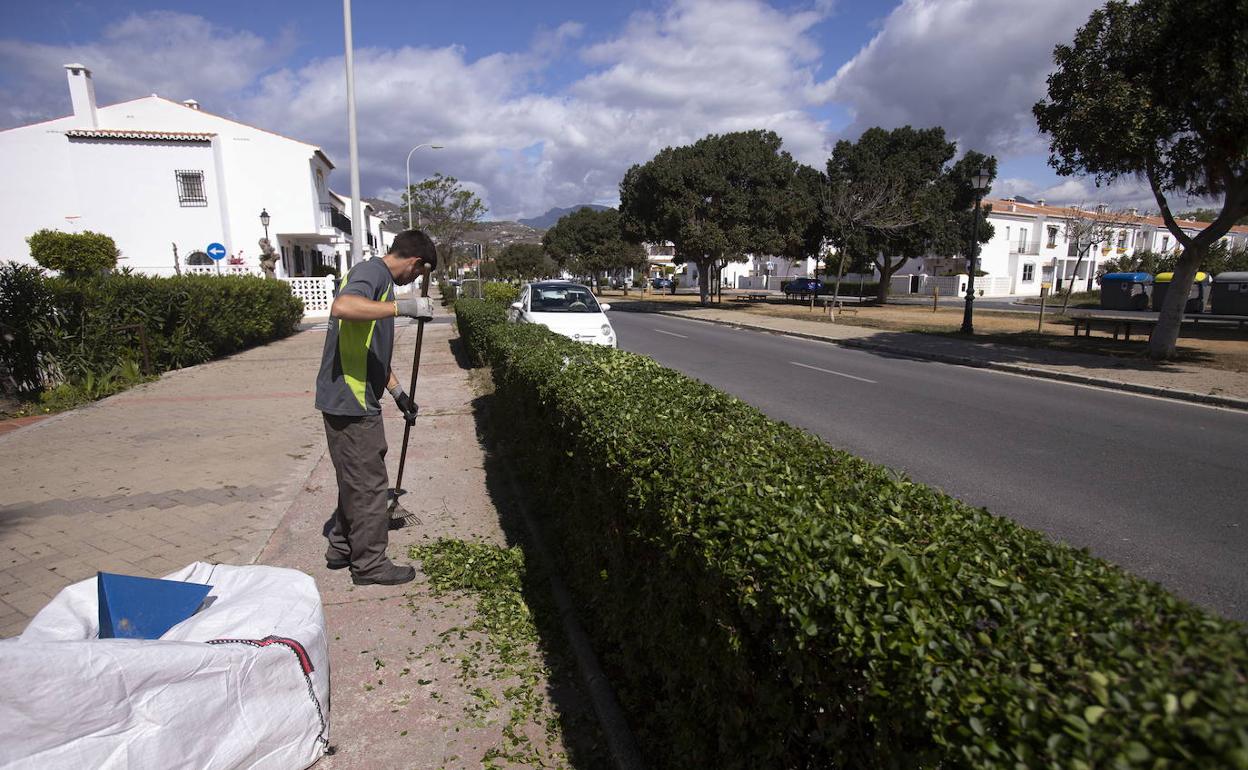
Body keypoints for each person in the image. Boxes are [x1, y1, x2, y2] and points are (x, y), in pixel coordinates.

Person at [314, 229, 436, 585]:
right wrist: (405, 307)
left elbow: (370, 352)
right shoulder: (373, 274)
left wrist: (399, 394)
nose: (414, 281)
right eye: (418, 274)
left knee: (355, 478)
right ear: (414, 262)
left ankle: (340, 546)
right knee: (369, 485)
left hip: (352, 395)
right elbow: (341, 307)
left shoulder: (378, 281)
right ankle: (369, 565)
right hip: (350, 400)